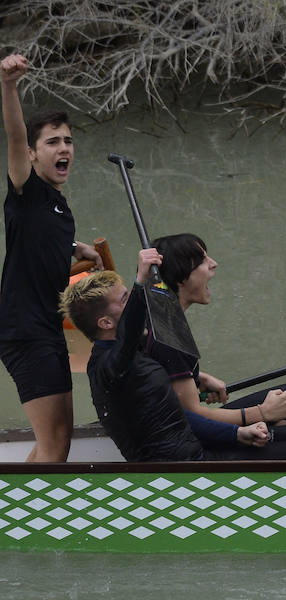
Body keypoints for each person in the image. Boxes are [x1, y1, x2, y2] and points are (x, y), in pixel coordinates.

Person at [58, 248, 286, 461]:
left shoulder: (126, 357)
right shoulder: (111, 366)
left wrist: (234, 430)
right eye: (125, 299)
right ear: (105, 323)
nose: (136, 303)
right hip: (181, 470)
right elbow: (128, 336)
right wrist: (140, 281)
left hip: (188, 444)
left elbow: (178, 416)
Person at [0, 53, 102, 462]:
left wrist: (78, 249)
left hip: (47, 328)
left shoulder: (58, 207)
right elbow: (12, 134)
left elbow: (45, 244)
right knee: (56, 446)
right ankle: (21, 519)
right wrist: (8, 86)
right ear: (32, 154)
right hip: (24, 331)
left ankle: (18, 507)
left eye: (68, 141)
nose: (63, 149)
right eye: (52, 142)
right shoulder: (25, 192)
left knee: (56, 443)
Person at [146, 233, 286, 458]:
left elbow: (170, 373)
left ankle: (274, 451)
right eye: (204, 260)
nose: (214, 263)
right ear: (182, 277)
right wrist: (260, 413)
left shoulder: (163, 317)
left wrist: (197, 376)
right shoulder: (168, 335)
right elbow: (192, 416)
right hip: (190, 442)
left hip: (186, 428)